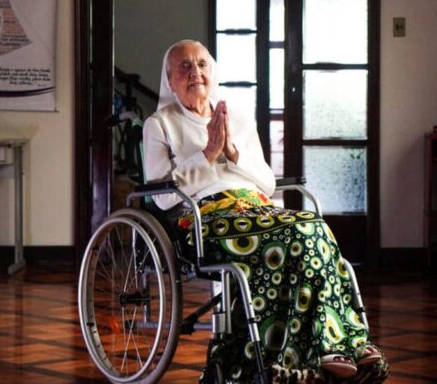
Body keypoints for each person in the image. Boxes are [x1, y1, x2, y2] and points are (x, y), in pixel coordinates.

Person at [143, 40, 387, 383]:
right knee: (296, 233)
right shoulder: (159, 125)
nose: (194, 72)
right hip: (206, 217)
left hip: (255, 207)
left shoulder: (236, 116)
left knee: (312, 228)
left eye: (201, 64)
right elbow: (162, 197)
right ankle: (327, 348)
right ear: (169, 79)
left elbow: (267, 183)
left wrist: (231, 150)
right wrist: (208, 155)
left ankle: (340, 345)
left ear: (211, 72)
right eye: (184, 66)